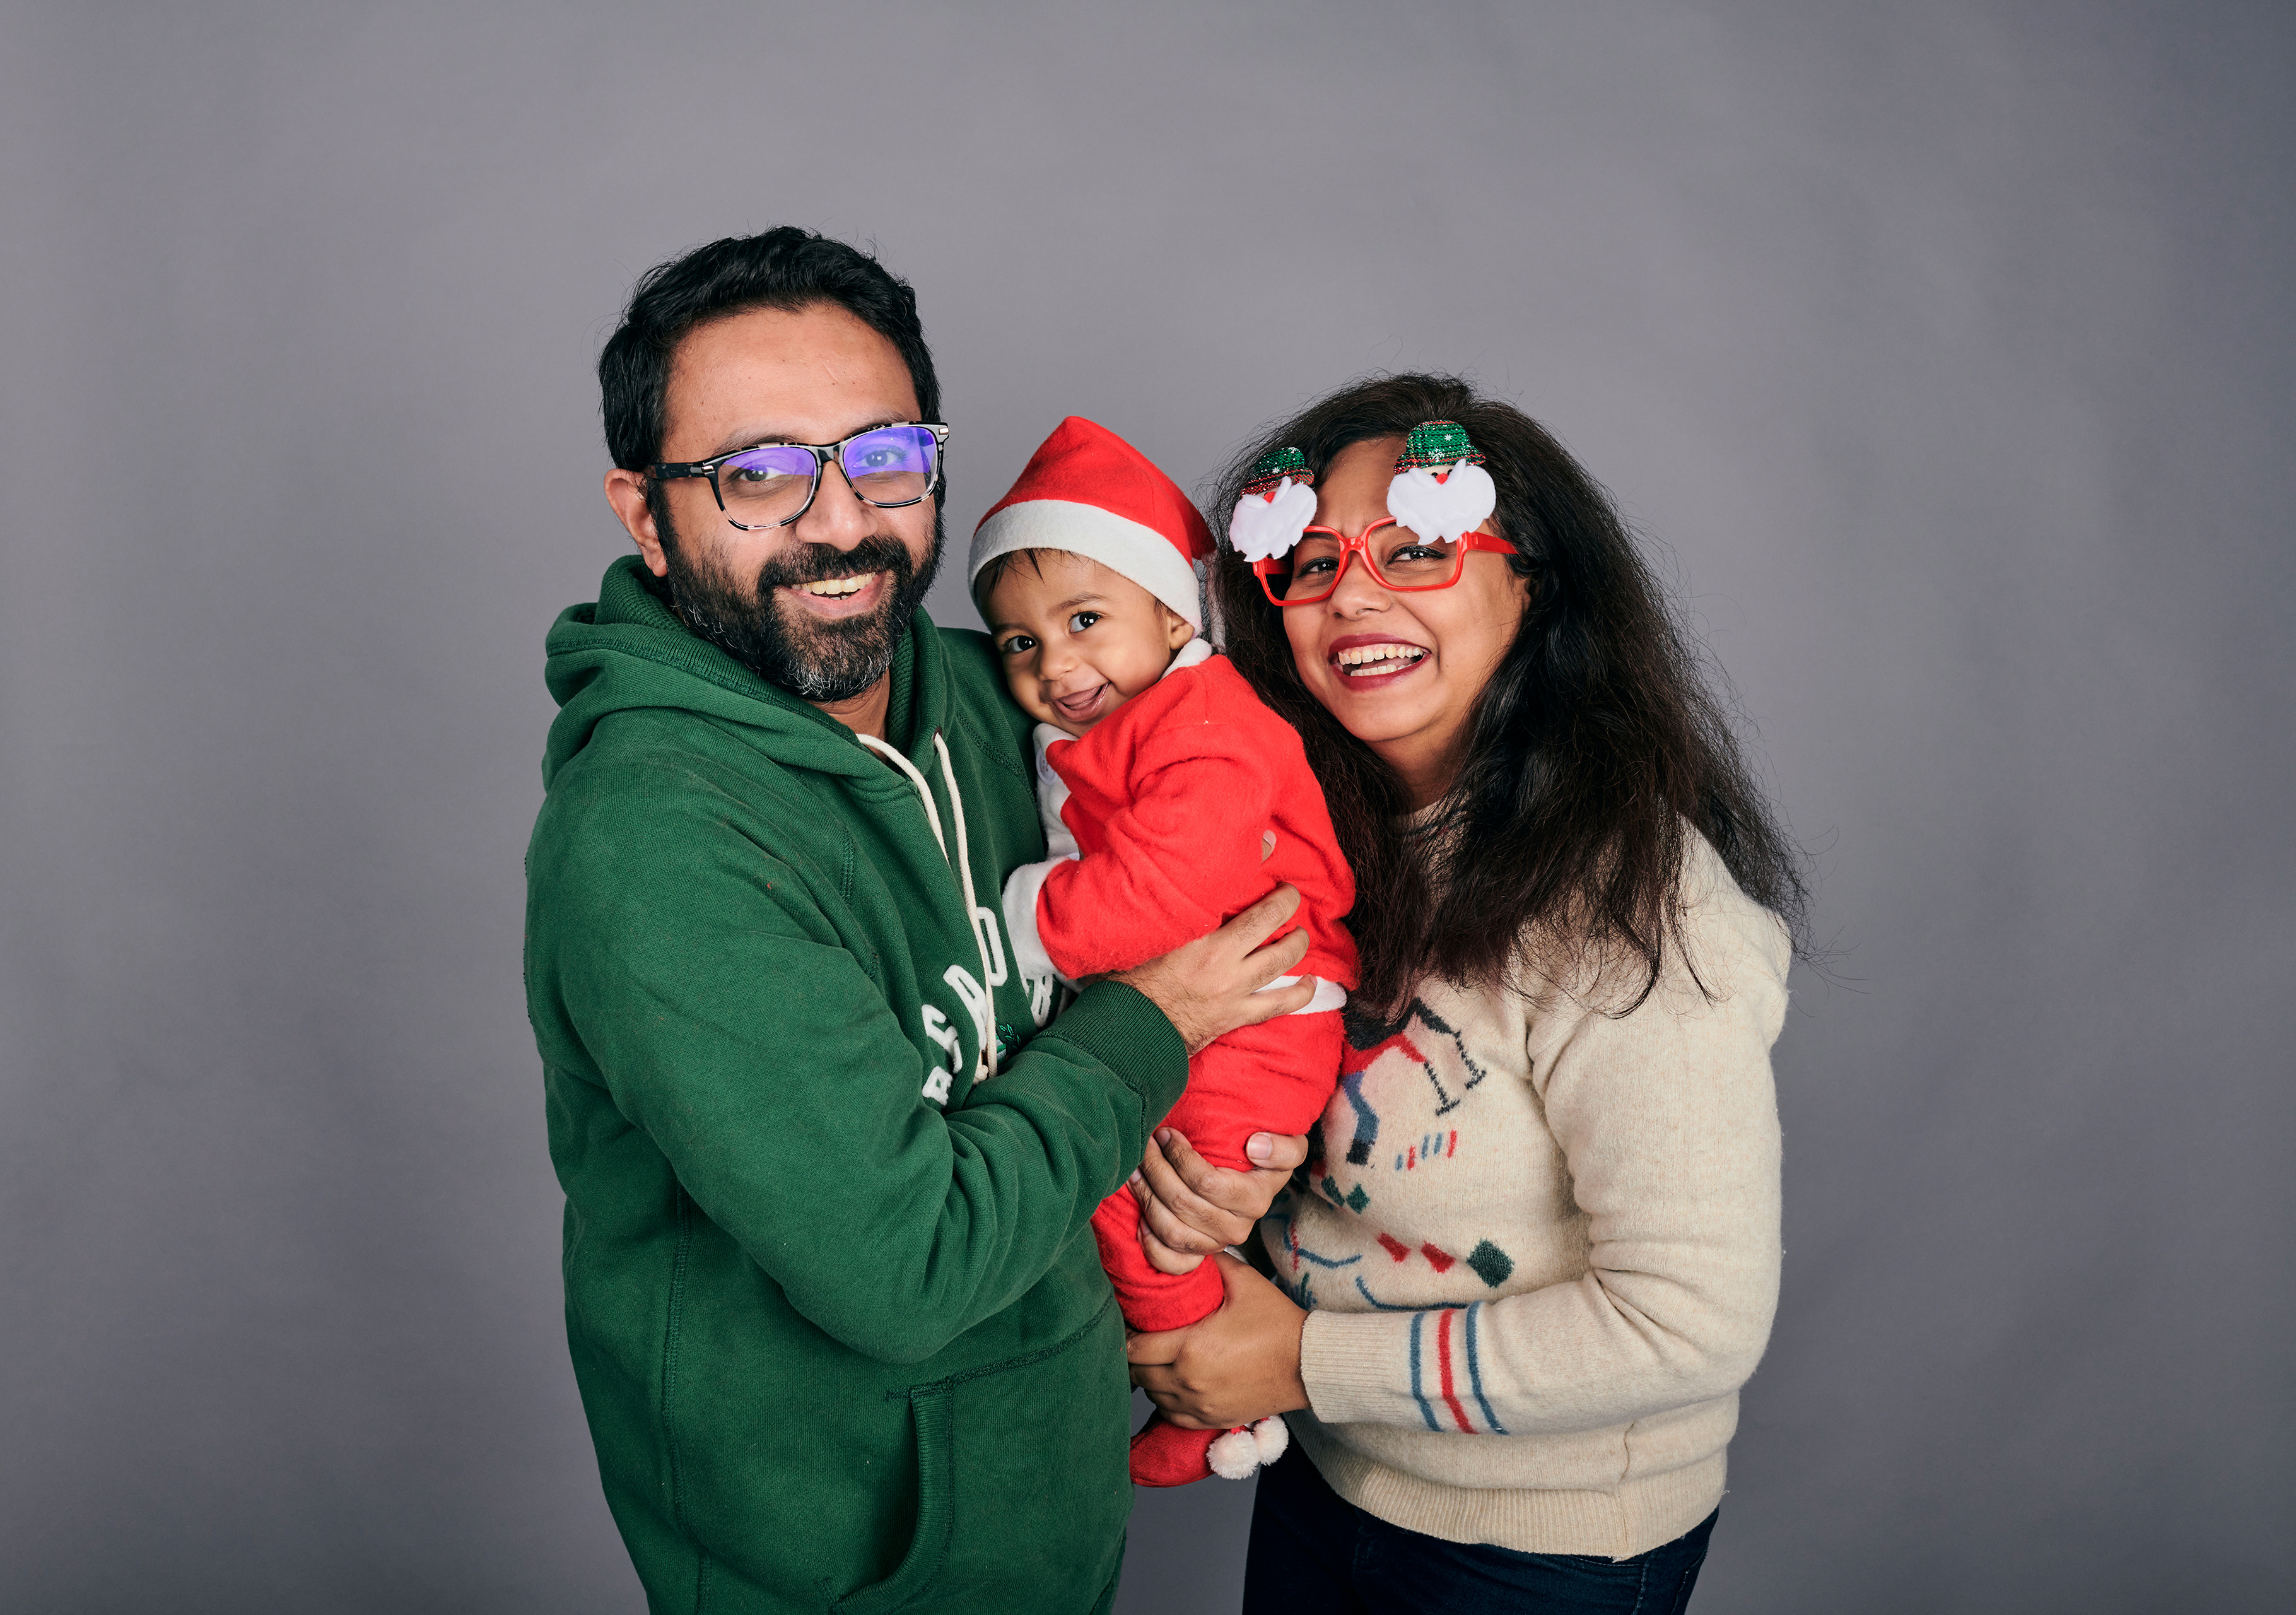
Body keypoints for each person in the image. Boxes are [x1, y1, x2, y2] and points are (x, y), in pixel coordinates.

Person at [522, 228, 1315, 1615]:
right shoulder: (654, 841)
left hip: (1055, 1515)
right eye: (759, 473)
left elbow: (1239, 853)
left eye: (884, 456)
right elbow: (910, 1270)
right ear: (647, 514)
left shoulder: (1013, 699)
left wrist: (1235, 1154)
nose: (840, 522)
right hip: (844, 1572)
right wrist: (1158, 1027)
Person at [1123, 376, 1809, 1614]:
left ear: (1531, 587)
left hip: (1539, 1550)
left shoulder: (1639, 906)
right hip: (1324, 1479)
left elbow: (1689, 1321)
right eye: (1312, 565)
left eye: (1417, 549)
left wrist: (1303, 1358)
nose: (1352, 598)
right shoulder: (1303, 847)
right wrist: (1226, 1197)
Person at [968, 416, 1360, 1486]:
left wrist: (1026, 915)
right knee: (1143, 1201)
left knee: (1120, 1199)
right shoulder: (1133, 722)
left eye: (1085, 620)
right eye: (1019, 643)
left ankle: (1202, 1395)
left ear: (1173, 613)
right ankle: (1199, 1368)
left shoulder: (1208, 726)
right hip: (1225, 1019)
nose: (1057, 662)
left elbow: (1165, 892)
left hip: (1263, 1029)